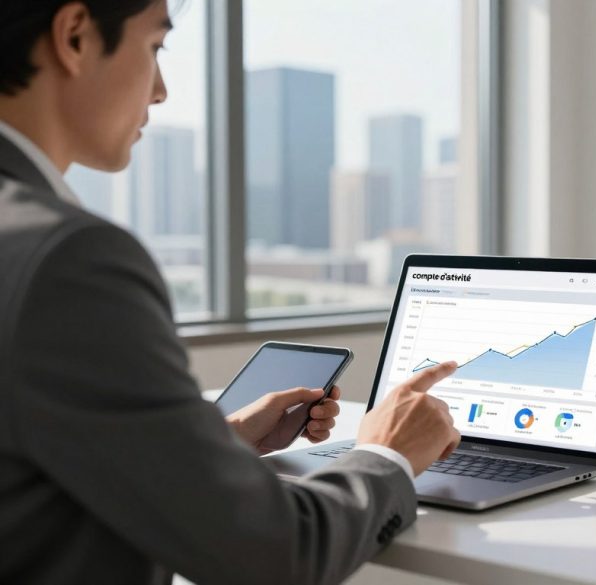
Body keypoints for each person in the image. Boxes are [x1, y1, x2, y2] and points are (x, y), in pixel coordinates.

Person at [0, 1, 462, 583]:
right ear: (74, 37)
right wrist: (387, 453)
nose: (161, 91)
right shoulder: (67, 259)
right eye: (155, 47)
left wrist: (215, 446)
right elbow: (276, 555)